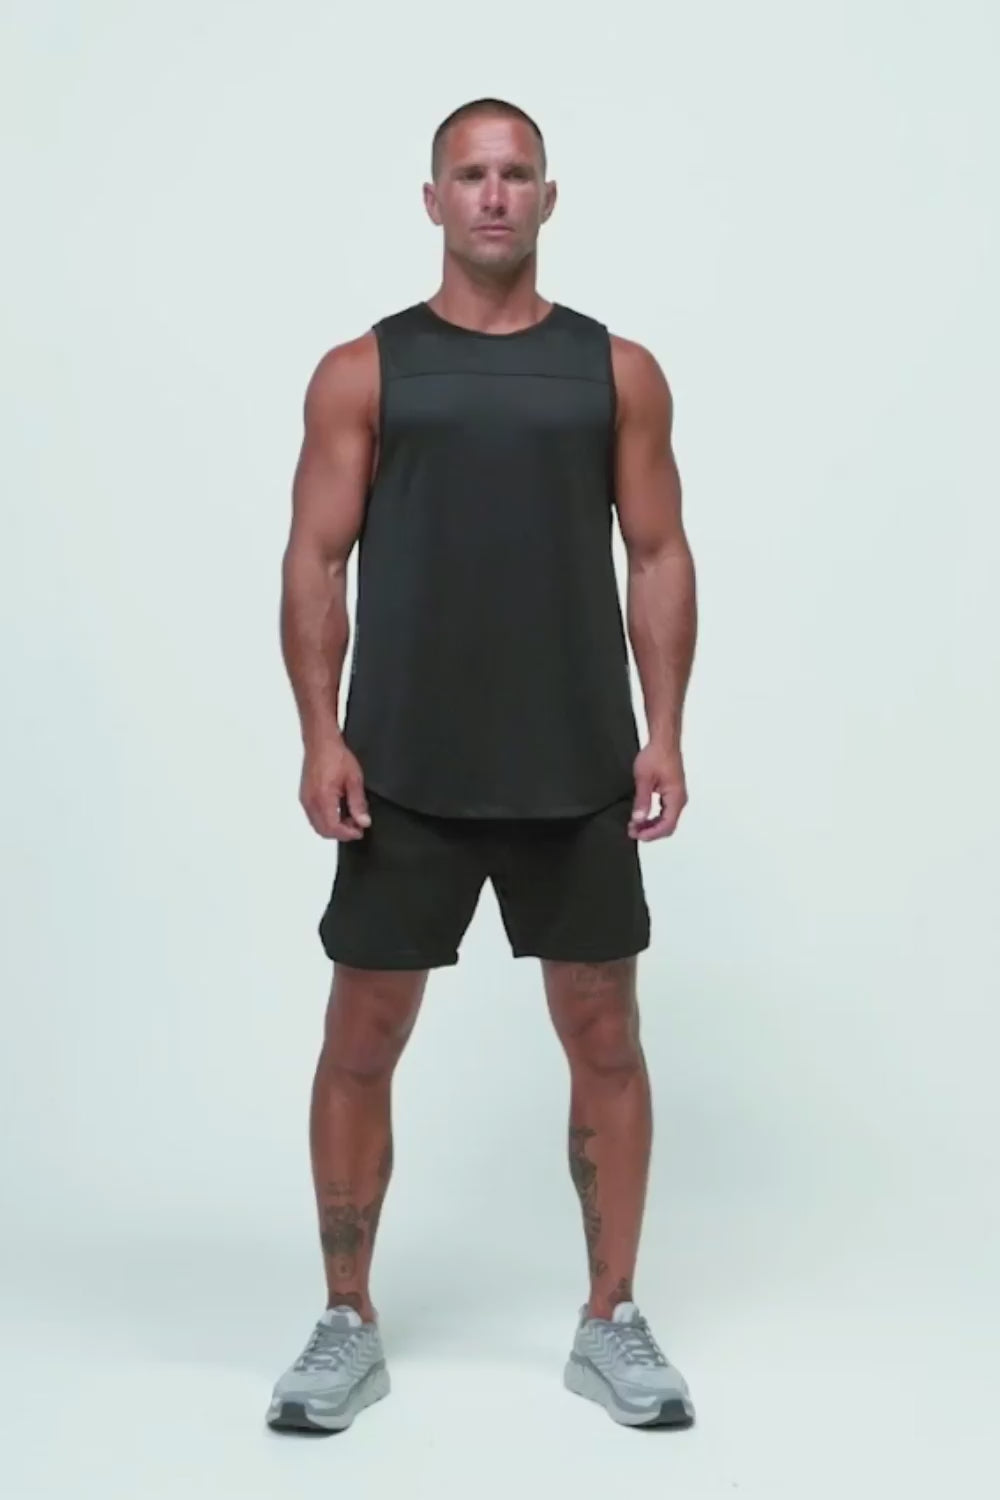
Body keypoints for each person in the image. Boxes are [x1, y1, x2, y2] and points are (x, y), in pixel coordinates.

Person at [268, 97, 698, 1434]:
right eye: (472, 174)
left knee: (607, 1038)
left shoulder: (616, 371)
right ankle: (346, 1321)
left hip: (577, 765)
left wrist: (666, 730)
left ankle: (611, 1318)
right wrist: (321, 734)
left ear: (548, 198)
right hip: (404, 770)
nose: (495, 195)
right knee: (361, 1038)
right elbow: (315, 559)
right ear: (434, 200)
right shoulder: (365, 370)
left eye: (517, 174)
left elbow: (659, 553)